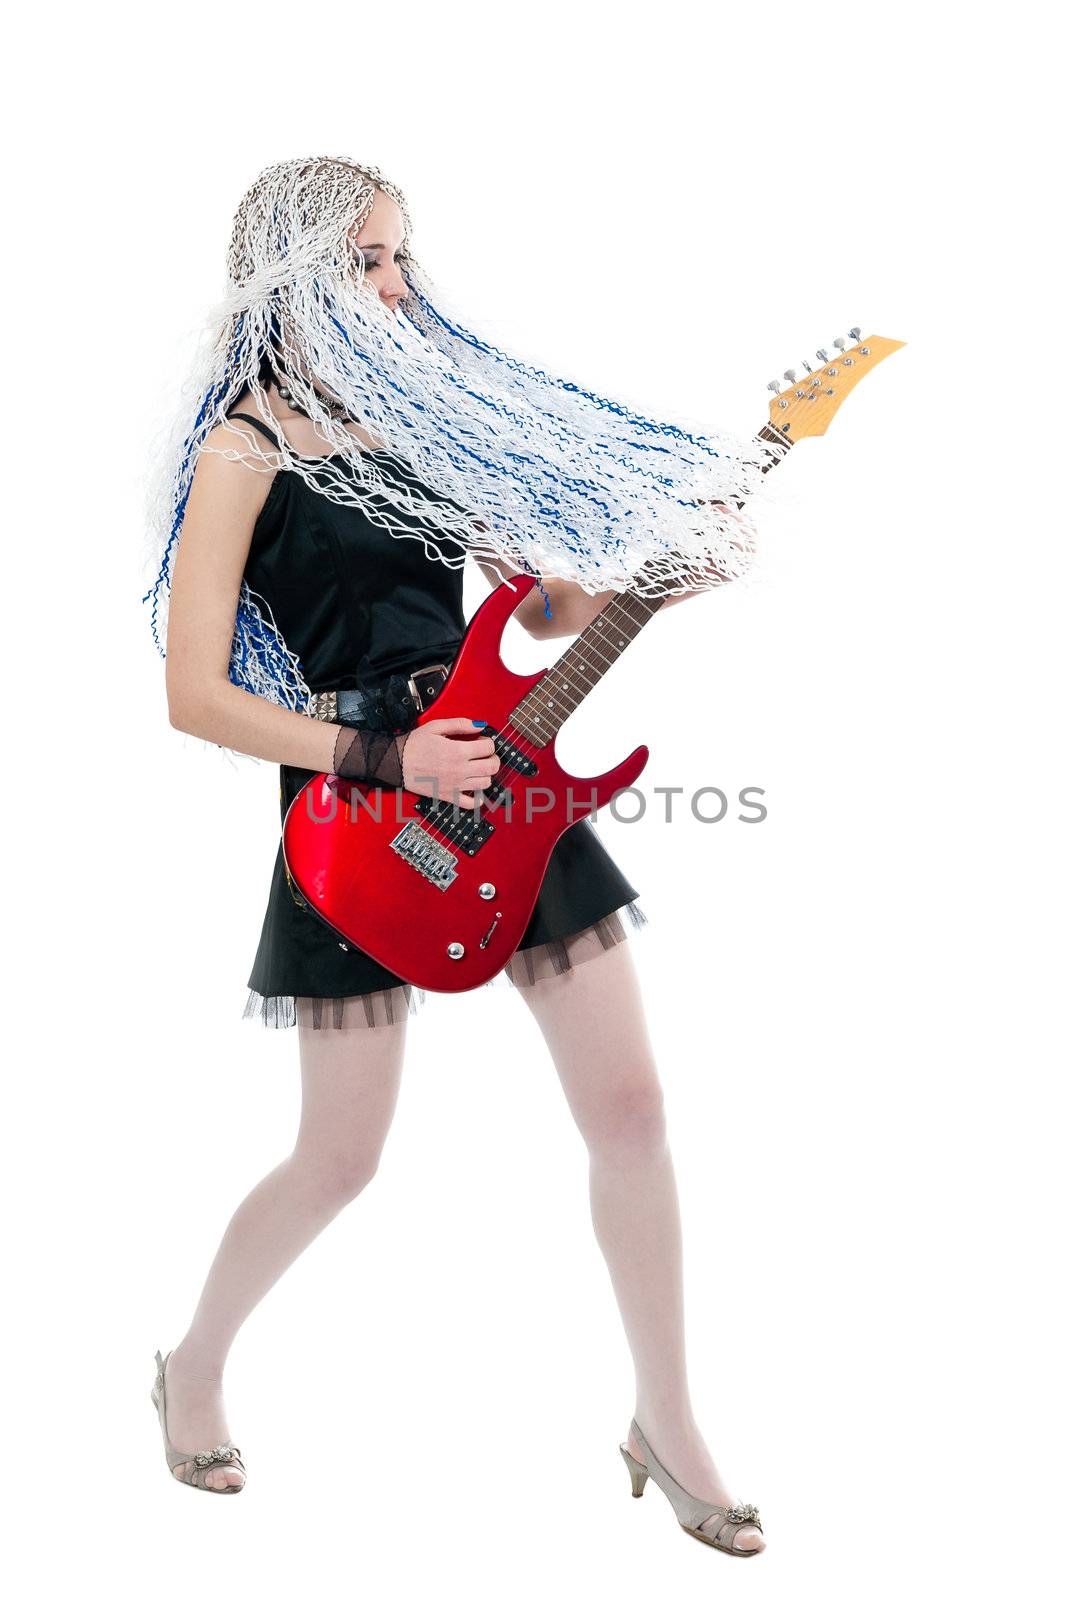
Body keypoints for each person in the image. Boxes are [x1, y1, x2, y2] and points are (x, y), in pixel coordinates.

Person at [143, 157, 774, 1555]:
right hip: (359, 804)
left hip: (506, 771)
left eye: (401, 257)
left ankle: (665, 1421)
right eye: (369, 261)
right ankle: (190, 1366)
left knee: (630, 1111)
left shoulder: (423, 421)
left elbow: (531, 603)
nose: (398, 287)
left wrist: (656, 574)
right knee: (340, 1155)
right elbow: (193, 693)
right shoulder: (241, 451)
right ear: (291, 275)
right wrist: (385, 758)